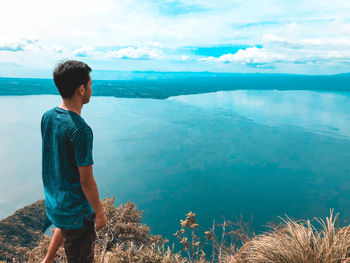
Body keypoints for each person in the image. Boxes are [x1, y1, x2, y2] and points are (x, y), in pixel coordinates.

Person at [40, 60, 107, 263]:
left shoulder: (48, 117)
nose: (91, 89)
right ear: (81, 89)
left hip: (56, 203)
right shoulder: (80, 130)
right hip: (77, 215)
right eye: (90, 84)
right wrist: (100, 213)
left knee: (64, 221)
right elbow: (86, 182)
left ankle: (48, 259)